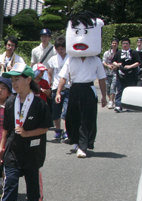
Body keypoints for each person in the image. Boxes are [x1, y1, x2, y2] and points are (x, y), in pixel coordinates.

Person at [0, 64, 53, 201]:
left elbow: (45, 127)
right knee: (10, 182)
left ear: (28, 80)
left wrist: (28, 134)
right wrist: (1, 148)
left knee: (32, 181)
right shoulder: (11, 101)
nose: (13, 83)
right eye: (12, 80)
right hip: (13, 150)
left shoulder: (40, 103)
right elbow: (6, 128)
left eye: (17, 79)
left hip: (33, 150)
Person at [55, 11, 107, 158]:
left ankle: (83, 146)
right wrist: (59, 92)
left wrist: (104, 96)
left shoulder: (96, 60)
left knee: (87, 118)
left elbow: (102, 79)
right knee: (73, 117)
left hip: (89, 89)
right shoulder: (71, 59)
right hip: (75, 89)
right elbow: (63, 77)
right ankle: (75, 140)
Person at [47, 36, 71, 140]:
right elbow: (50, 73)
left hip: (68, 87)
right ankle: (58, 130)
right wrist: (49, 84)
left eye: (63, 48)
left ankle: (66, 131)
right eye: (59, 49)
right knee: (56, 110)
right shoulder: (53, 59)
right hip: (56, 87)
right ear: (56, 49)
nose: (61, 51)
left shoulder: (70, 58)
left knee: (66, 110)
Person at [112, 38, 141, 112]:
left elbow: (138, 62)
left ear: (129, 44)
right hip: (120, 74)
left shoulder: (134, 52)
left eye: (126, 43)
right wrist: (117, 64)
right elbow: (113, 61)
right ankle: (118, 105)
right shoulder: (118, 53)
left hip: (131, 74)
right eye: (123, 43)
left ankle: (130, 106)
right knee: (120, 90)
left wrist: (130, 66)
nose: (125, 45)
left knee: (131, 90)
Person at [102, 38, 119, 109]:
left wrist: (116, 66)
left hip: (115, 72)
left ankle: (111, 101)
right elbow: (103, 62)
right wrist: (108, 65)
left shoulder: (119, 53)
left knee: (113, 87)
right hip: (107, 72)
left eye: (116, 43)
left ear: (118, 44)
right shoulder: (107, 53)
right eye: (113, 43)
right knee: (107, 88)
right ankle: (110, 99)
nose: (114, 45)